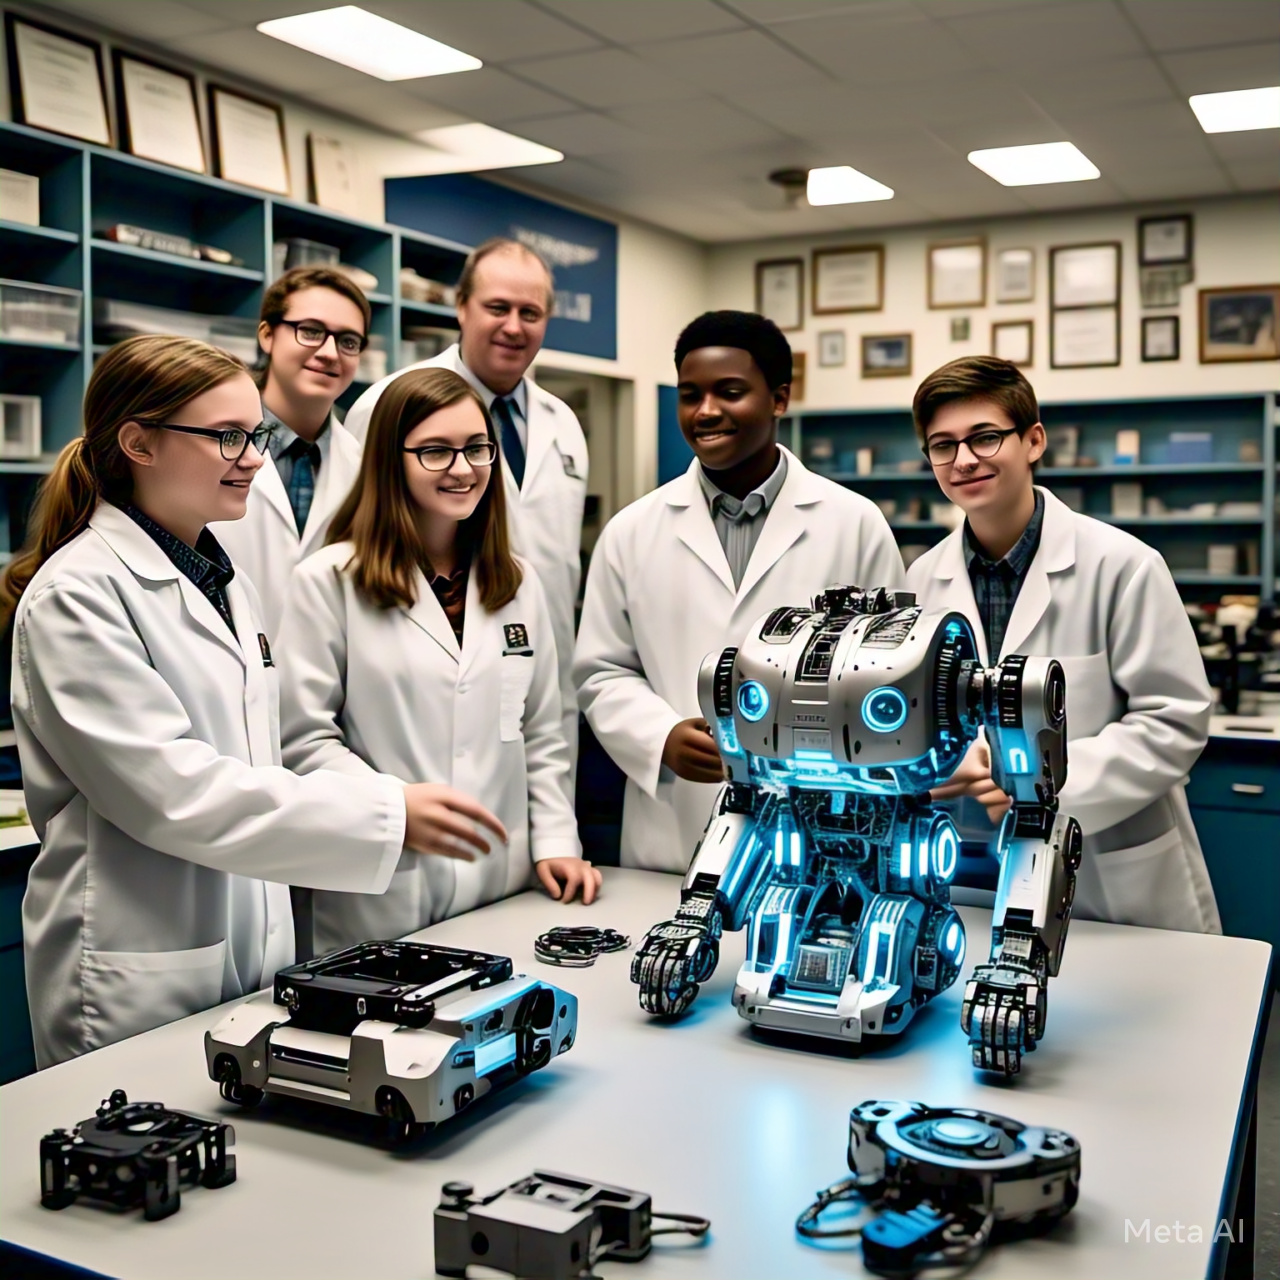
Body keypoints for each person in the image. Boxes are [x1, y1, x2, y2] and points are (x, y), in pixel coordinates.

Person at [2, 336, 506, 1068]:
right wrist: (387, 814)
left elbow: (257, 761)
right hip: (138, 963)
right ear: (138, 442)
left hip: (246, 942)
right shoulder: (76, 595)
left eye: (256, 434)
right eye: (228, 437)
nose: (256, 458)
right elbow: (174, 794)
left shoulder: (223, 580)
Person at [277, 367, 599, 953]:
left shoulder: (517, 581)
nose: (462, 468)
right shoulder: (329, 581)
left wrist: (556, 842)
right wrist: (393, 805)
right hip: (382, 884)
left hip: (502, 880)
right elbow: (302, 741)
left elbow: (541, 733)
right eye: (435, 451)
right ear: (388, 461)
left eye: (477, 448)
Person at [573, 311, 905, 873]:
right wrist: (661, 736)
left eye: (730, 392)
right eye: (690, 395)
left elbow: (892, 670)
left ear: (778, 399)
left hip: (819, 823)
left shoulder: (854, 522)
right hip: (674, 829)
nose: (706, 411)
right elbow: (601, 669)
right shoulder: (631, 532)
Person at [905, 355, 1220, 933]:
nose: (964, 460)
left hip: (1110, 878)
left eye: (985, 437)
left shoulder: (1122, 565)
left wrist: (1039, 784)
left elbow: (1176, 720)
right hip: (976, 873)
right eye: (942, 445)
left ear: (1034, 441)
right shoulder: (923, 579)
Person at [344, 239, 587, 764]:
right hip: (419, 680)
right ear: (460, 307)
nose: (514, 326)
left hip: (541, 681)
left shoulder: (561, 423)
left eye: (531, 313)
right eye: (497, 307)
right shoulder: (390, 403)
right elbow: (358, 540)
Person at [208, 266, 369, 638]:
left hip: (330, 680)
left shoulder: (364, 464)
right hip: (227, 668)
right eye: (311, 331)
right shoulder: (207, 446)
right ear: (267, 334)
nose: (330, 353)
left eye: (348, 341)